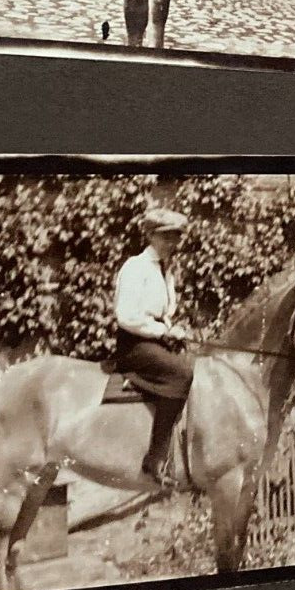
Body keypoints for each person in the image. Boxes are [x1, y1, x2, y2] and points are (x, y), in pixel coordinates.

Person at [112, 207, 194, 486]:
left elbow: (163, 312)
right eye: (165, 237)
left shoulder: (166, 269)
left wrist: (174, 330)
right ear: (150, 236)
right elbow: (127, 317)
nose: (171, 244)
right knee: (180, 374)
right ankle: (155, 458)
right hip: (134, 345)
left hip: (155, 339)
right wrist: (163, 332)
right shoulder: (135, 267)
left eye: (175, 238)